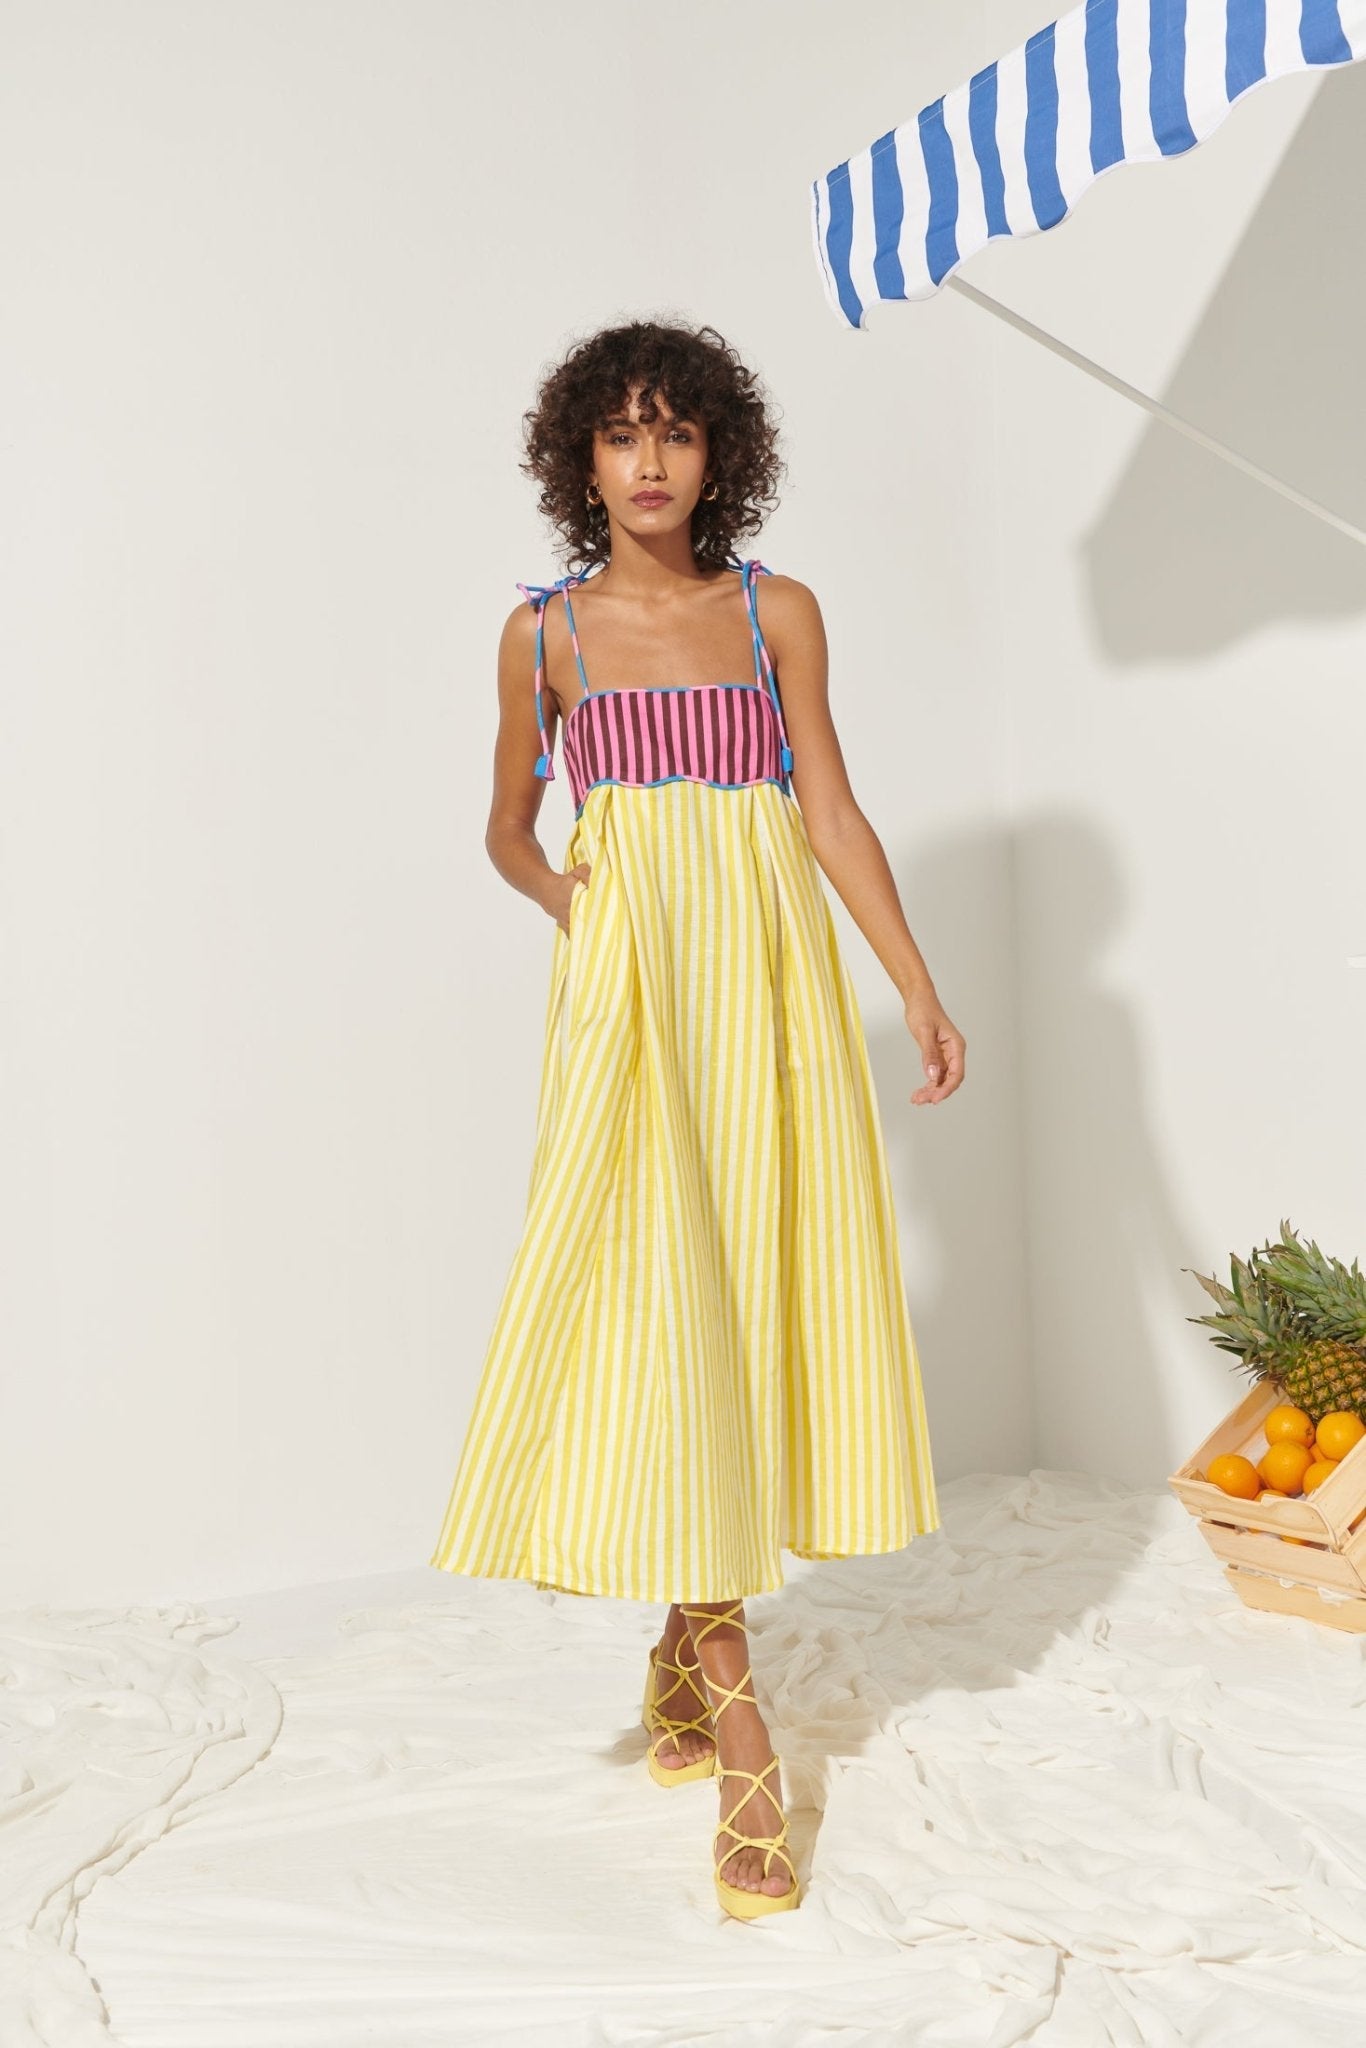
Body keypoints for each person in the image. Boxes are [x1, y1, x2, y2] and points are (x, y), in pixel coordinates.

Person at [429, 318, 965, 1921]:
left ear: (719, 451)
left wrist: (915, 984)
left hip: (774, 992)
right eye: (620, 435)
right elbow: (507, 830)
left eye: (675, 432)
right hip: (636, 1000)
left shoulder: (774, 611)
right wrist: (578, 906)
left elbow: (828, 807)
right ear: (579, 461)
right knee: (664, 1307)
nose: (648, 461)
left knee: (750, 1295)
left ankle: (680, 1646)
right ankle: (740, 1733)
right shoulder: (544, 638)